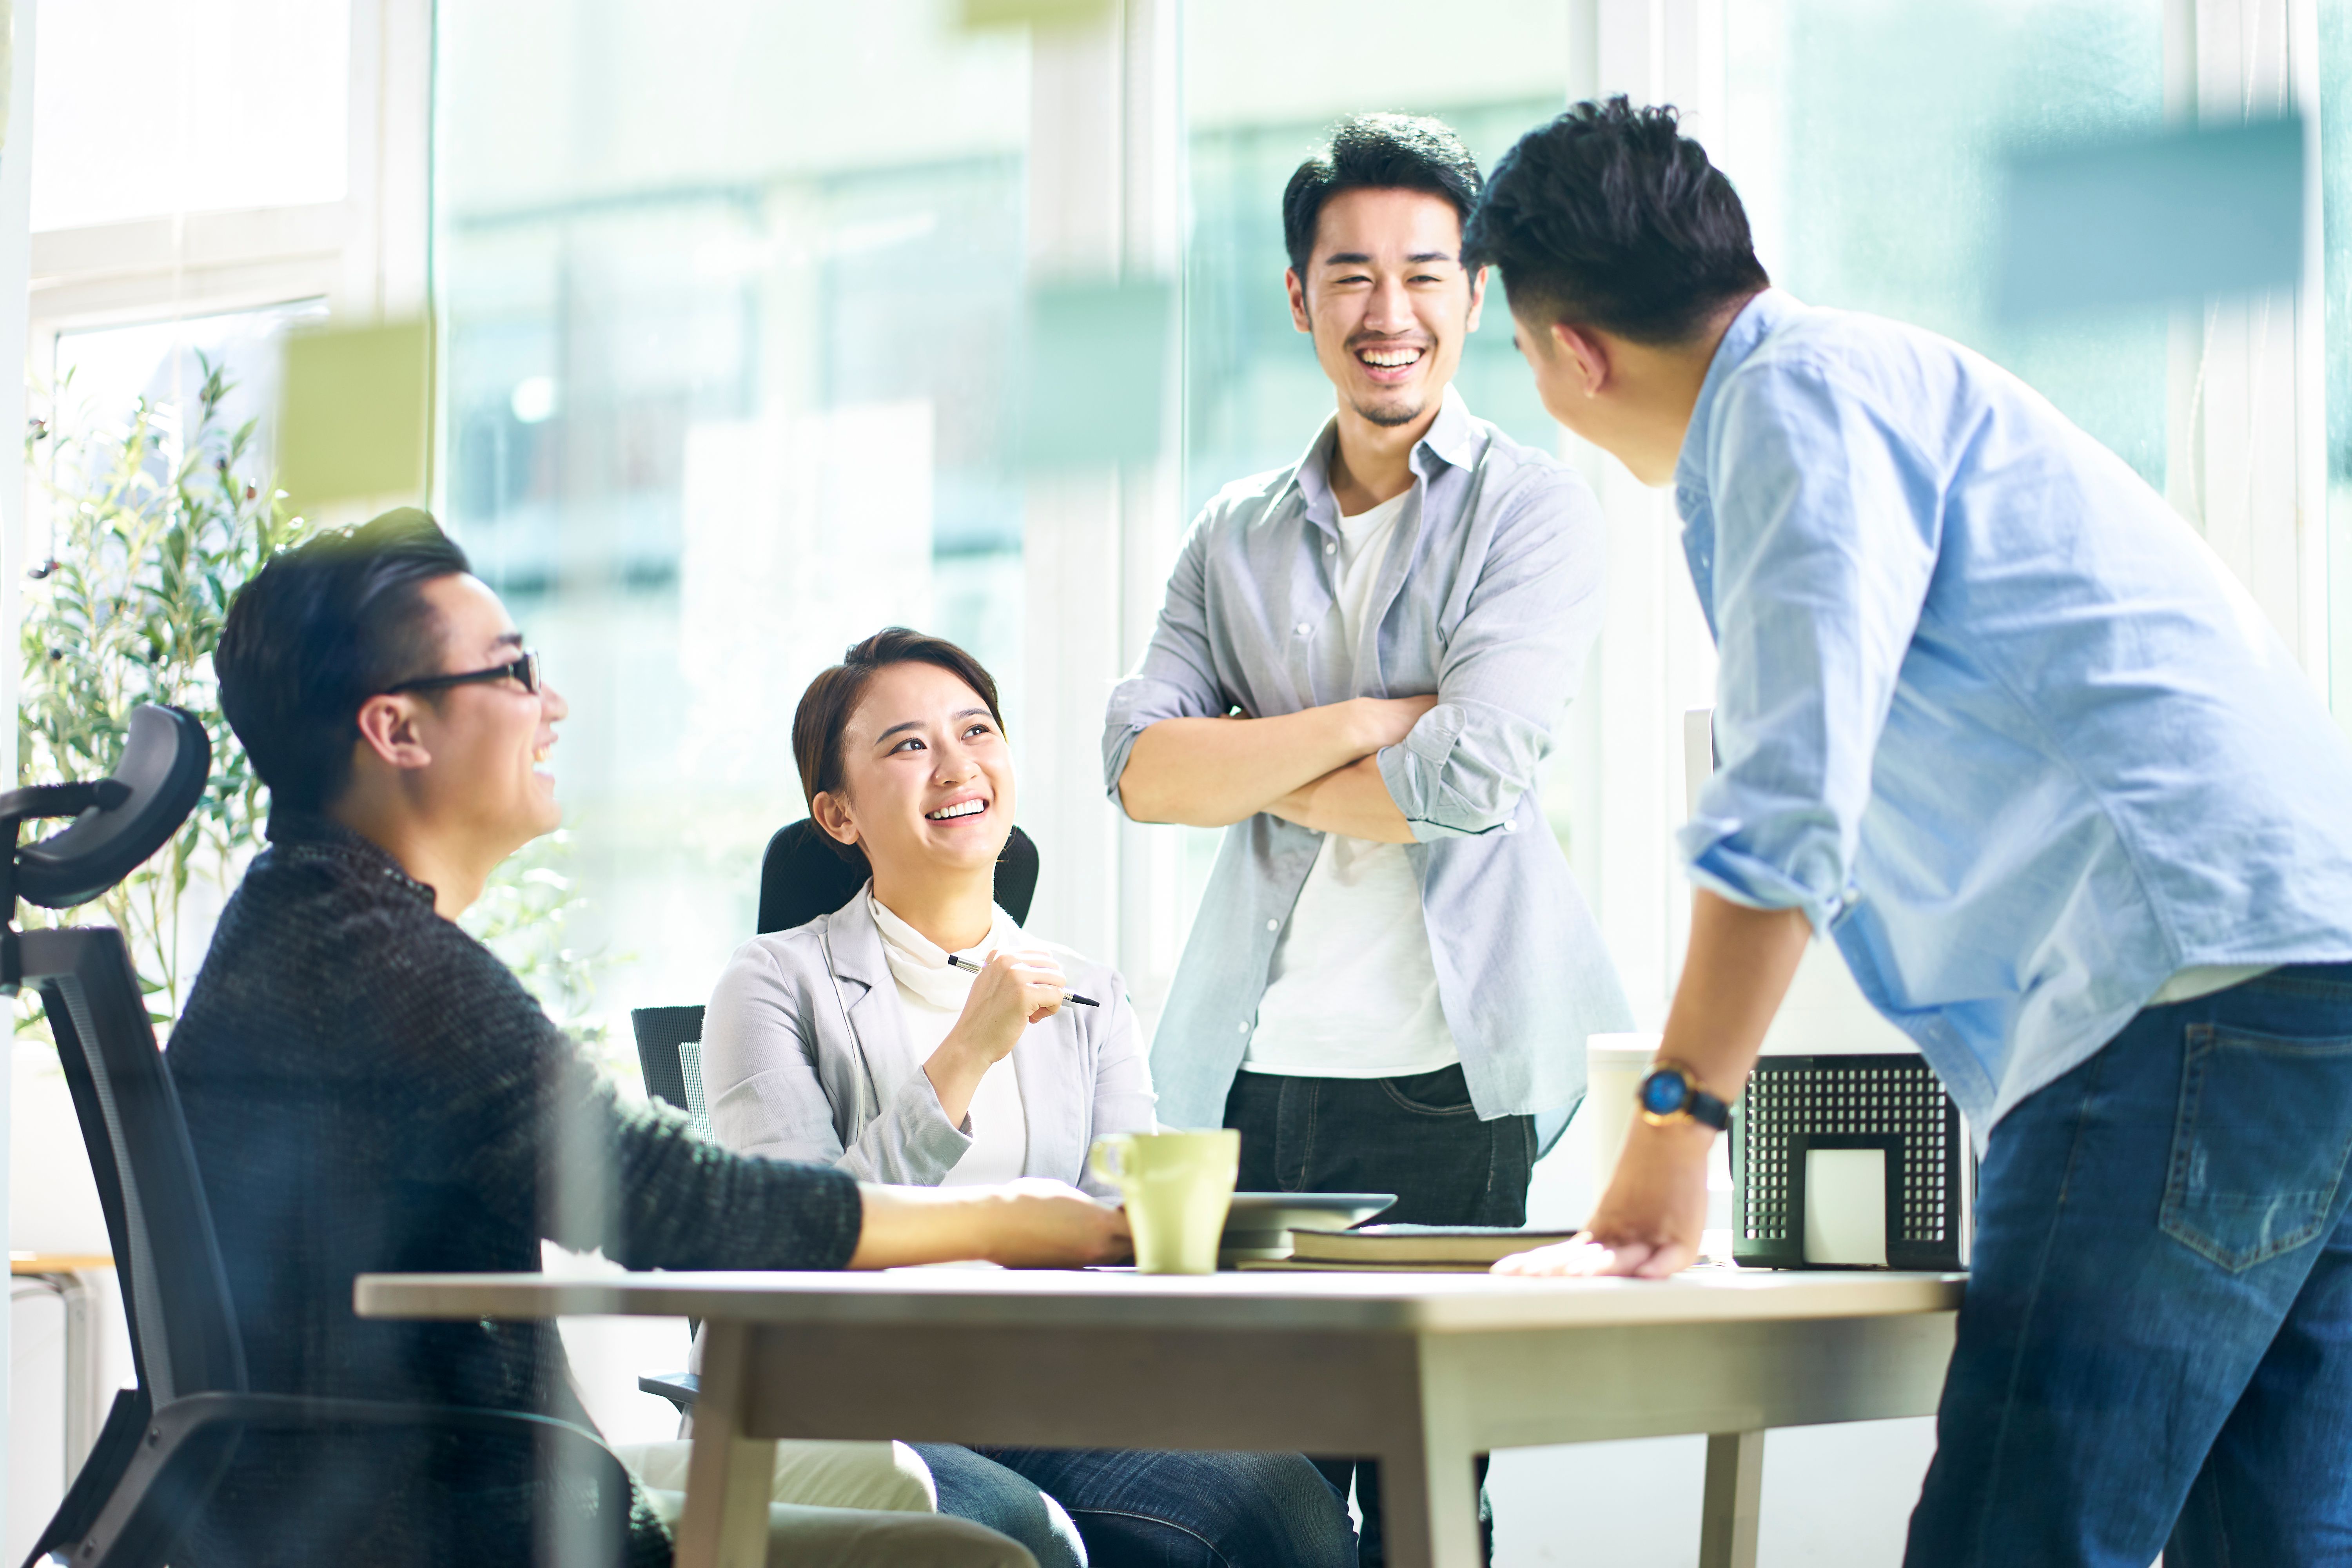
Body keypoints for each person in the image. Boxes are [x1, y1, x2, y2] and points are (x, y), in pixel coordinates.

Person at [1468, 98, 2352, 1568]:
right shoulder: (1888, 376)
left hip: (2184, 998)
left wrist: (1677, 1127)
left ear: (1573, 351)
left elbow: (1789, 792)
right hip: (2309, 985)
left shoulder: (1785, 406)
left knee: (2017, 1540)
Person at [168, 511, 1127, 1568]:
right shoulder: (379, 961)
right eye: (514, 672)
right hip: (452, 1513)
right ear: (398, 731)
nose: (553, 706)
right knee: (983, 1556)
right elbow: (688, 1206)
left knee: (974, 1515)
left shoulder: (312, 923)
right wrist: (1015, 1219)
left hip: (435, 1480)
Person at [1102, 112, 1629, 1560]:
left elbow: (1472, 773)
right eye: (1349, 276)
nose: (1386, 315)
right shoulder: (1232, 534)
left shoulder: (1533, 511)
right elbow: (1142, 774)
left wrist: (1245, 757)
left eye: (1424, 274)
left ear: (1476, 296)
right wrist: (1363, 722)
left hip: (1454, 1078)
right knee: (1241, 1493)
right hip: (1248, 1069)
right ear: (1297, 297)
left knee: (1424, 1486)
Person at [702, 626, 1357, 1568]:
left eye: (976, 731)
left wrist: (1203, 1240)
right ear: (838, 814)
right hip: (849, 1402)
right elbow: (798, 1240)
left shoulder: (1088, 992)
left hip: (1044, 1394)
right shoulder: (770, 982)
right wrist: (968, 1049)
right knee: (1013, 1535)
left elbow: (1125, 1223)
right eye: (908, 744)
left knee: (1285, 1502)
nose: (956, 764)